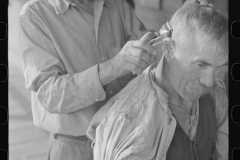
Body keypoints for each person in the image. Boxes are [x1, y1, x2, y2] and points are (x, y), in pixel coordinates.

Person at [19, 0, 212, 159]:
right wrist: (114, 66)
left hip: (127, 140)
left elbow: (151, 51)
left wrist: (182, 24)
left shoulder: (116, 5)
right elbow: (50, 96)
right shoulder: (34, 14)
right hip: (74, 148)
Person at [87, 3, 228, 160]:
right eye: (200, 64)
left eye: (219, 67)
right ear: (168, 49)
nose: (209, 83)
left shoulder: (215, 96)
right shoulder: (131, 128)